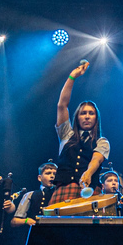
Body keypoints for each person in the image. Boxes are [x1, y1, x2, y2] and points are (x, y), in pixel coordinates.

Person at [50, 61, 109, 206]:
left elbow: (96, 160)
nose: (87, 116)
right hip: (64, 191)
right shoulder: (66, 134)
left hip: (89, 191)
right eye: (83, 113)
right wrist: (72, 77)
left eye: (91, 113)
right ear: (77, 117)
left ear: (96, 118)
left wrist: (88, 173)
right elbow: (62, 105)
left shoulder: (102, 141)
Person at [11, 162, 57, 227]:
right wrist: (26, 220)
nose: (52, 176)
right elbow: (14, 221)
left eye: (55, 174)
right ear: (39, 178)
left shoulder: (60, 194)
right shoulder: (30, 195)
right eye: (48, 173)